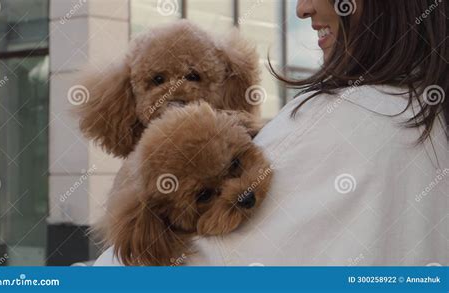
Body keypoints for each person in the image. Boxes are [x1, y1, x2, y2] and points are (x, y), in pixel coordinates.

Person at [95, 0, 448, 266]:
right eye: (156, 82)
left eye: (194, 77)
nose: (302, 8)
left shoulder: (334, 120)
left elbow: (162, 266)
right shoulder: (431, 116)